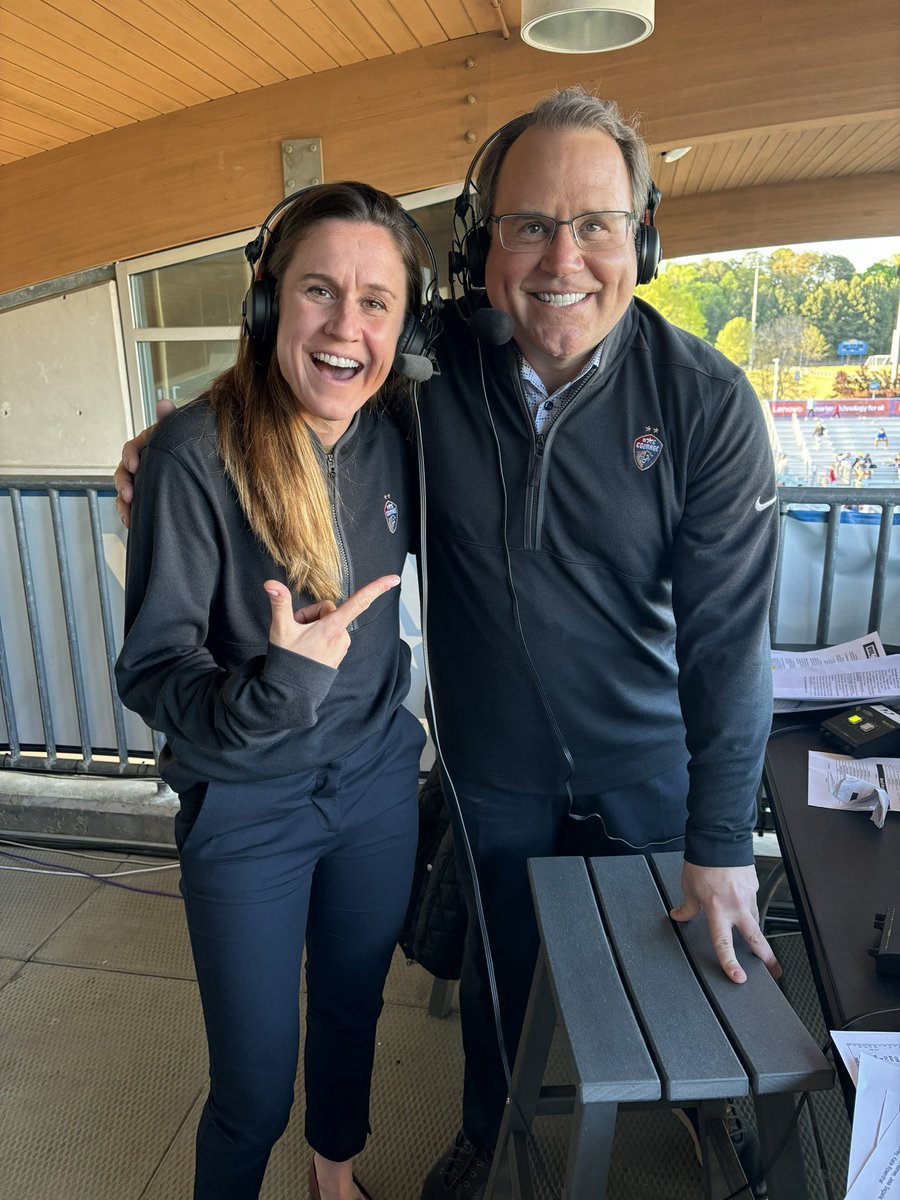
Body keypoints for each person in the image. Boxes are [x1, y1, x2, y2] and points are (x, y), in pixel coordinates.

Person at [116, 90, 781, 1200]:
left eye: (597, 224)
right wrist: (179, 430)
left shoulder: (706, 404)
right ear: (485, 248)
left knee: (687, 971)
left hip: (648, 764)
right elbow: (318, 359)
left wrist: (721, 839)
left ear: (642, 240)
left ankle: (714, 1121)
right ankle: (486, 1129)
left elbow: (730, 645)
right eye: (528, 224)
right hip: (491, 770)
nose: (562, 257)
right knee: (496, 981)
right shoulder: (442, 377)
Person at [115, 182, 432, 1200]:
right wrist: (283, 686)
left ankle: (334, 1176)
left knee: (352, 1009)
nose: (348, 327)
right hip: (247, 804)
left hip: (376, 785)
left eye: (377, 301)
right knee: (250, 1083)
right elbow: (154, 669)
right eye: (319, 292)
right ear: (266, 303)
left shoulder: (407, 435)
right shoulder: (192, 455)